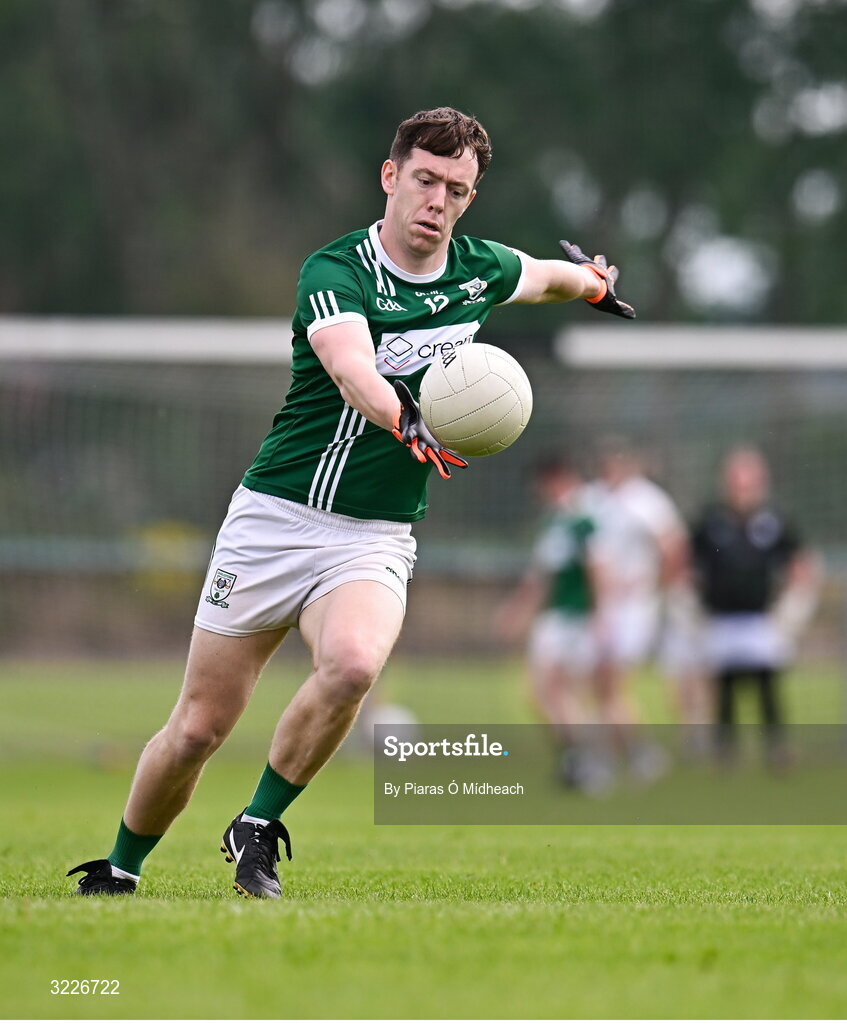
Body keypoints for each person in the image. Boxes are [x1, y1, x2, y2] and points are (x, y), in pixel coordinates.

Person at [67, 106, 635, 899]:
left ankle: (257, 826)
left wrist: (595, 284)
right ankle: (121, 867)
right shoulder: (335, 271)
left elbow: (547, 275)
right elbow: (348, 365)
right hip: (274, 518)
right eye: (426, 181)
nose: (438, 201)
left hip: (373, 533)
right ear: (391, 177)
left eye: (457, 190)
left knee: (354, 665)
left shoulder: (479, 267)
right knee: (198, 727)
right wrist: (401, 414)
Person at [690, 446, 820, 765]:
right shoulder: (711, 519)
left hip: (761, 616)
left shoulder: (774, 518)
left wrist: (794, 607)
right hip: (720, 616)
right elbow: (689, 564)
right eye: (736, 480)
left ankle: (776, 746)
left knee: (766, 682)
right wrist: (691, 604)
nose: (742, 487)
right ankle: (725, 748)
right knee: (726, 685)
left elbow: (799, 563)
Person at [495, 455, 606, 789]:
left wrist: (601, 616)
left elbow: (598, 568)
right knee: (545, 694)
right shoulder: (556, 521)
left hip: (574, 617)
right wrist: (517, 610)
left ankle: (589, 762)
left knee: (555, 692)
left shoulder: (581, 518)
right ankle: (578, 759)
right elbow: (542, 576)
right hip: (557, 617)